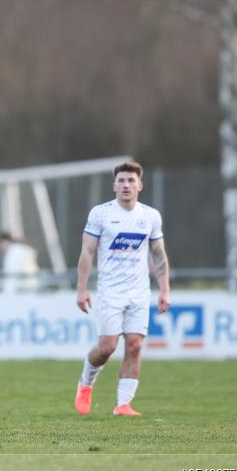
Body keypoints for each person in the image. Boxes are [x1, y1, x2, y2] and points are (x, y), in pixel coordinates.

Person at [74, 160, 170, 417]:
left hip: (139, 292)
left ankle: (123, 404)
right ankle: (85, 383)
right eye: (121, 181)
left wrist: (164, 290)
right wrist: (82, 289)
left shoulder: (150, 216)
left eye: (131, 180)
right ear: (114, 186)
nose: (126, 185)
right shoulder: (100, 214)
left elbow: (158, 255)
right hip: (110, 291)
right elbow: (87, 252)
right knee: (107, 347)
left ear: (140, 185)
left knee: (135, 345)